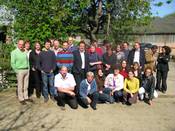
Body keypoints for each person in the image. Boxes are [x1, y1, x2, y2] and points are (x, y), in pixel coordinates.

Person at [11, 39, 31, 105]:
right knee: (20, 85)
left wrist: (28, 68)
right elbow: (12, 63)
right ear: (17, 44)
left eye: (22, 44)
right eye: (20, 44)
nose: (21, 46)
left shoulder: (25, 51)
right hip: (19, 71)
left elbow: (27, 61)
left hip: (26, 70)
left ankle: (26, 97)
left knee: (26, 85)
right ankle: (21, 98)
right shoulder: (13, 52)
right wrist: (17, 71)